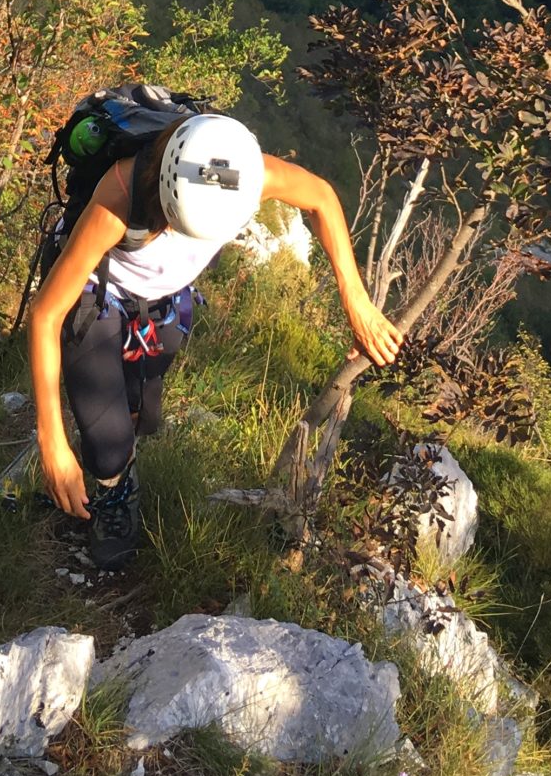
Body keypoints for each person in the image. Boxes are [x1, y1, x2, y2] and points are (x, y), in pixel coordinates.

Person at [28, 108, 404, 570]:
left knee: (143, 418)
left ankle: (118, 464)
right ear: (166, 198)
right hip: (99, 289)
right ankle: (114, 496)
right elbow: (46, 314)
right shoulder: (120, 196)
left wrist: (356, 302)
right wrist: (52, 440)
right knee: (107, 442)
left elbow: (321, 197)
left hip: (163, 298)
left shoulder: (243, 172)